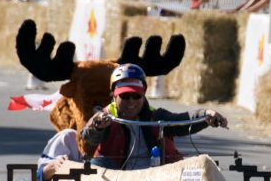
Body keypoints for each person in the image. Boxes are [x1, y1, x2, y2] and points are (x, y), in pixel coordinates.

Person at [81, 64, 228, 170]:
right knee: (96, 165)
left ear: (144, 94)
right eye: (125, 96)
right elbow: (88, 136)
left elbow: (182, 121)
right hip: (117, 180)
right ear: (114, 95)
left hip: (154, 177)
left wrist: (205, 115)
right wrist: (96, 127)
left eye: (136, 95)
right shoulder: (104, 117)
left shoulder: (156, 116)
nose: (131, 101)